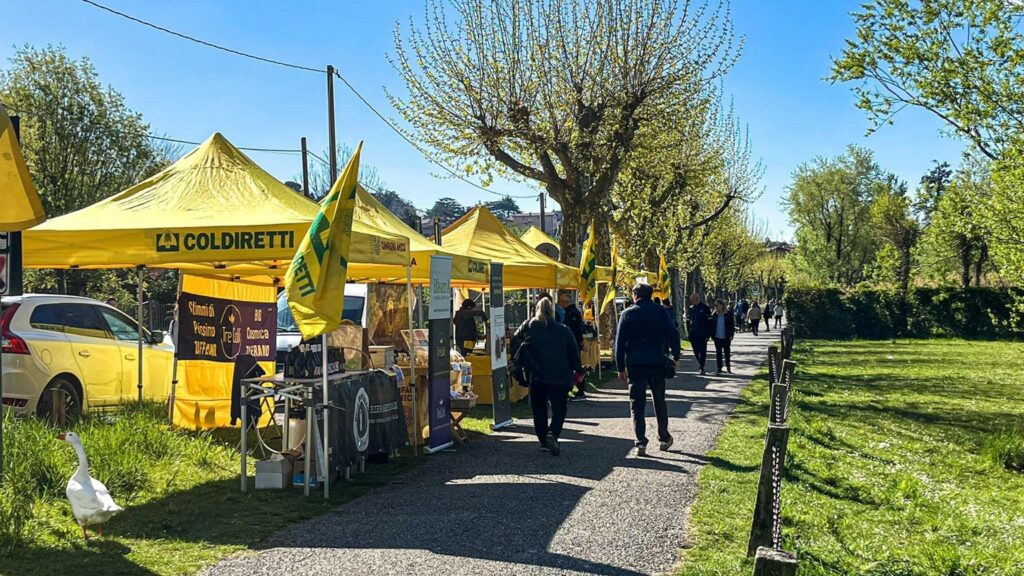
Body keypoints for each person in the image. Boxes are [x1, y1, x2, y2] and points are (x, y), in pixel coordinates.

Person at [615, 283, 681, 456]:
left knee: (637, 404)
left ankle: (640, 442)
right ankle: (664, 437)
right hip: (657, 361)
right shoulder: (660, 311)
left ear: (635, 294)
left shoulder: (627, 313)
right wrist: (675, 356)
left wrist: (620, 367)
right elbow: (673, 333)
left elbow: (619, 342)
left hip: (635, 363)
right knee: (659, 400)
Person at [511, 297, 581, 456]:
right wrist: (578, 370)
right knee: (559, 408)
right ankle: (553, 433)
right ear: (554, 312)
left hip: (537, 374)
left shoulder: (529, 326)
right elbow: (573, 353)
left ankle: (543, 440)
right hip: (560, 374)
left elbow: (515, 340)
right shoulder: (564, 330)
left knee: (539, 409)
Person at [557, 292, 587, 400]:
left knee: (576, 367)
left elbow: (576, 330)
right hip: (572, 344)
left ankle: (580, 391)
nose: (560, 304)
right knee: (574, 366)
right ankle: (575, 390)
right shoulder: (570, 312)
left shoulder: (572, 313)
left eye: (561, 302)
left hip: (573, 344)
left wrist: (580, 341)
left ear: (565, 302)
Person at [686, 293, 712, 375]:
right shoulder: (690, 308)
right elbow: (688, 320)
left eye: (692, 300)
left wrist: (708, 334)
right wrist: (689, 332)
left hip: (702, 334)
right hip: (693, 334)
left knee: (703, 351)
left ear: (697, 299)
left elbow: (709, 322)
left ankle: (702, 366)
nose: (691, 301)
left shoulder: (705, 308)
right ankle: (700, 364)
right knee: (696, 351)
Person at [711, 299, 735, 375]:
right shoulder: (714, 315)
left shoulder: (728, 314)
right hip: (717, 336)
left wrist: (731, 335)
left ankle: (728, 367)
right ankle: (719, 368)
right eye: (715, 305)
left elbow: (732, 325)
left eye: (717, 305)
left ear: (722, 305)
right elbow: (712, 325)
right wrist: (712, 335)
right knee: (718, 353)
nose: (716, 307)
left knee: (727, 353)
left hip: (726, 337)